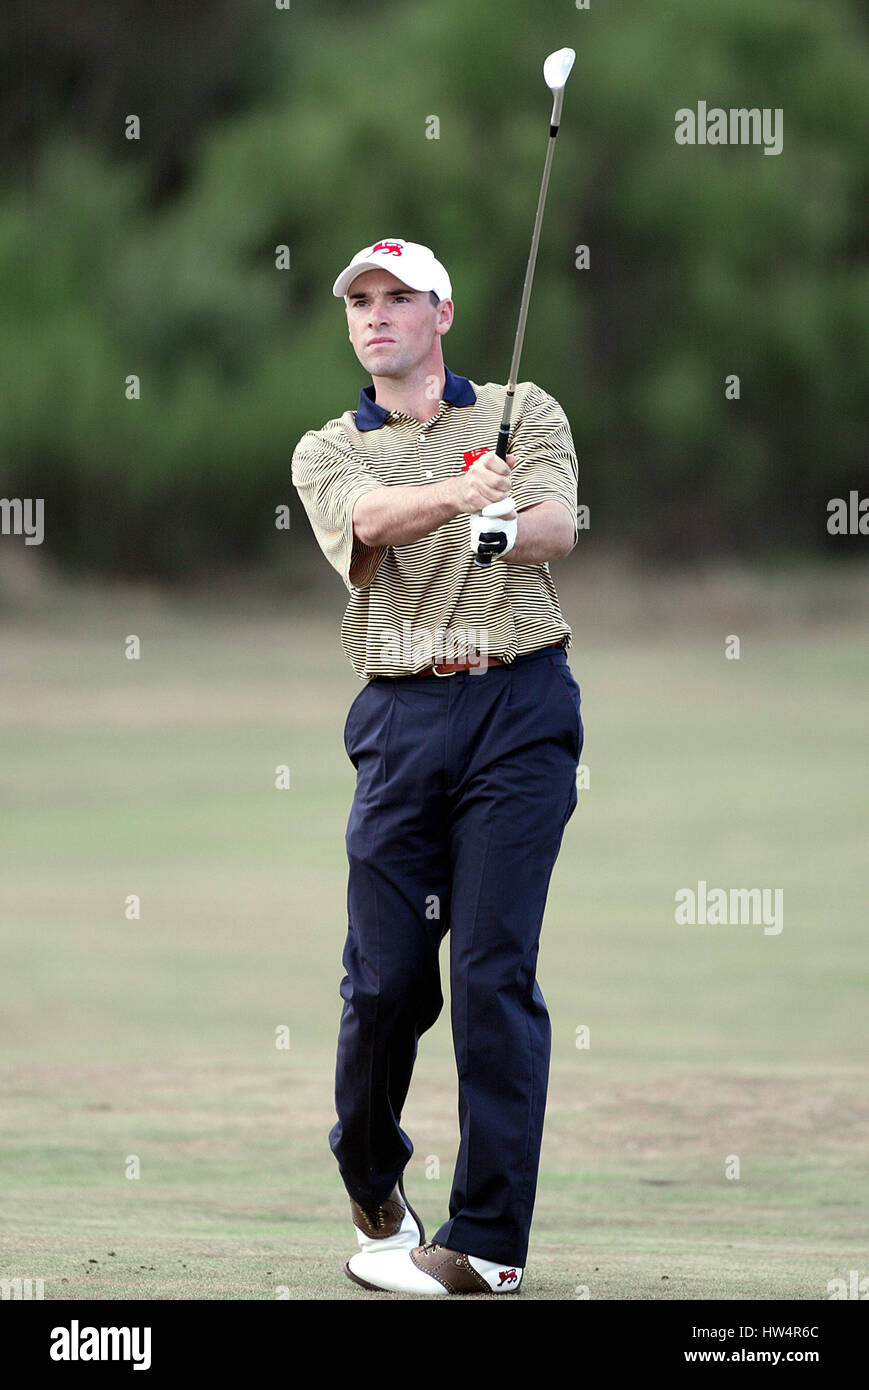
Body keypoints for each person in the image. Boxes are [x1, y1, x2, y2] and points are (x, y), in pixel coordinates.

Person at [291, 237, 583, 1296]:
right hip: (400, 717)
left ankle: (485, 1245)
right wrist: (462, 499)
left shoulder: (519, 409)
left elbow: (556, 517)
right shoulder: (331, 448)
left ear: (441, 313)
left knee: (490, 976)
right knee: (383, 983)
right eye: (360, 301)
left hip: (519, 706)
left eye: (398, 297)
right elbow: (367, 524)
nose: (375, 315)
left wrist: (508, 519)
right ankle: (372, 1178)